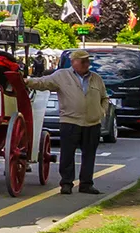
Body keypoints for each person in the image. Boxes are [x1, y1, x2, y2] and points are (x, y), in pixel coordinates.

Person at [26, 50, 111, 195]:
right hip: (70, 121)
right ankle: (66, 183)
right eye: (82, 61)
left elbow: (104, 98)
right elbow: (43, 83)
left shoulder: (96, 78)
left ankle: (86, 184)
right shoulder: (62, 76)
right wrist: (27, 81)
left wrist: (102, 111)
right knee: (67, 154)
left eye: (87, 61)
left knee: (89, 155)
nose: (86, 64)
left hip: (92, 122)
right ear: (74, 62)